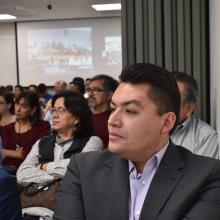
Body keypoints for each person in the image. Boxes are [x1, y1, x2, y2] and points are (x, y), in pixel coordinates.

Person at [54, 63, 220, 220]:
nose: (112, 121)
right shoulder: (84, 169)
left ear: (166, 122)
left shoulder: (205, 175)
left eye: (130, 111)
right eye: (113, 109)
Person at [17, 91, 103, 219]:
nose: (54, 115)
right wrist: (59, 178)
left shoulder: (93, 141)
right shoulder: (42, 142)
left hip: (69, 210)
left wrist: (42, 167)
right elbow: (22, 174)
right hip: (32, 207)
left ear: (77, 118)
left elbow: (80, 169)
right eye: (53, 110)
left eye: (61, 110)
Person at [171, 71, 219, 159]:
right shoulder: (148, 125)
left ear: (190, 107)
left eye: (173, 100)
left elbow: (203, 172)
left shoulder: (205, 137)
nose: (164, 105)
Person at [2, 91, 50, 170]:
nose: (18, 109)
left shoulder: (43, 126)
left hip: (30, 170)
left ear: (33, 109)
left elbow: (33, 153)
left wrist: (5, 152)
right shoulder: (8, 128)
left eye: (23, 106)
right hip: (7, 170)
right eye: (17, 104)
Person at [86, 74, 118, 148]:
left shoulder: (114, 119)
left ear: (109, 95)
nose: (90, 94)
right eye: (89, 90)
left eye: (96, 90)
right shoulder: (83, 116)